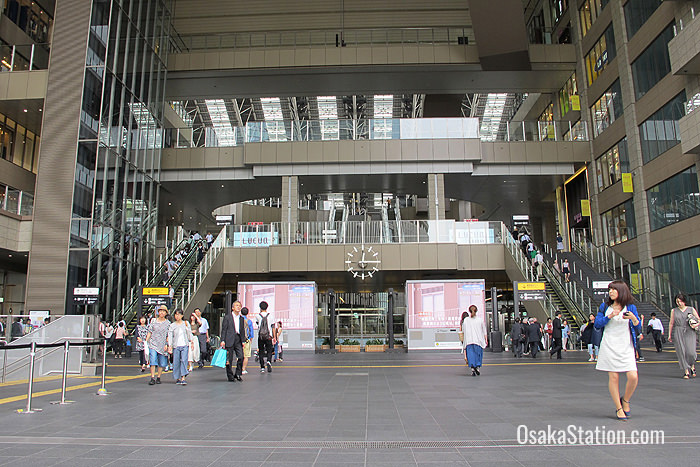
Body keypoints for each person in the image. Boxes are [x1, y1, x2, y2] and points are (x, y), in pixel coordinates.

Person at [595, 280, 641, 421]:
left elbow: (638, 328)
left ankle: (625, 399)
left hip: (626, 345)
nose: (611, 292)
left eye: (614, 289)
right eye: (610, 290)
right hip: (609, 344)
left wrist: (634, 319)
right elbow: (597, 324)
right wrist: (609, 317)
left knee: (633, 376)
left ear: (622, 291)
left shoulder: (630, 307)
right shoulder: (605, 307)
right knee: (613, 377)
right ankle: (619, 408)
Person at [668, 293, 700, 379]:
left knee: (691, 352)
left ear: (684, 301)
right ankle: (686, 371)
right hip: (678, 331)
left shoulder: (691, 309)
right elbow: (671, 323)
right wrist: (669, 334)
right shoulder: (674, 311)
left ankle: (692, 365)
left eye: (680, 301)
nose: (679, 303)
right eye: (677, 301)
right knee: (681, 352)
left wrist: (695, 325)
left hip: (690, 331)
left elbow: (698, 320)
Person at [220, 300, 246, 382]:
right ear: (232, 308)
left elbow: (242, 330)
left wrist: (243, 341)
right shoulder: (228, 317)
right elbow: (224, 329)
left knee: (241, 356)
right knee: (229, 359)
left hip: (238, 339)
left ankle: (238, 373)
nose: (238, 307)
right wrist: (223, 340)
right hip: (229, 338)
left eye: (239, 306)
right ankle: (230, 375)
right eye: (236, 305)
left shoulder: (241, 318)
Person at [146, 305, 171, 385]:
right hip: (153, 343)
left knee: (162, 362)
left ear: (166, 313)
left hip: (162, 344)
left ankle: (159, 377)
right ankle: (152, 377)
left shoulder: (168, 323)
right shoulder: (153, 321)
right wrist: (146, 341)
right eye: (160, 311)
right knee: (152, 360)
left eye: (163, 311)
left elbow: (168, 335)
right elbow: (150, 331)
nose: (162, 312)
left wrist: (167, 344)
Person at [167, 309, 193, 385]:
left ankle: (183, 377)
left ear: (182, 315)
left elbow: (189, 333)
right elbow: (170, 336)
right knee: (176, 362)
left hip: (184, 345)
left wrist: (191, 341)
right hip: (176, 345)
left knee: (184, 360)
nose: (177, 316)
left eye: (178, 314)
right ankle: (177, 377)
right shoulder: (172, 325)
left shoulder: (186, 323)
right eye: (176, 314)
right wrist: (170, 346)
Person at [462, 305, 487, 376]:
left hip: (469, 341)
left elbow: (463, 330)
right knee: (478, 355)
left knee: (471, 355)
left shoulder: (466, 320)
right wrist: (485, 339)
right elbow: (484, 331)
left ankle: (473, 369)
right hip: (478, 341)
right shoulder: (480, 320)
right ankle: (477, 367)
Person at [256, 301, 275, 373]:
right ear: (267, 307)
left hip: (260, 336)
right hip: (269, 336)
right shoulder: (270, 316)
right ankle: (269, 361)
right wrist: (274, 337)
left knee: (261, 351)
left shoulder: (258, 316)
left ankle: (262, 367)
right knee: (269, 350)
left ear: (260, 307)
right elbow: (273, 326)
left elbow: (258, 324)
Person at [241, 307, 254, 374]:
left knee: (239, 355)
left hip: (239, 340)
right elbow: (251, 331)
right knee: (246, 356)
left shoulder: (239, 320)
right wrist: (251, 338)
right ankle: (243, 369)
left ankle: (239, 368)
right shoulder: (249, 321)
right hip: (246, 340)